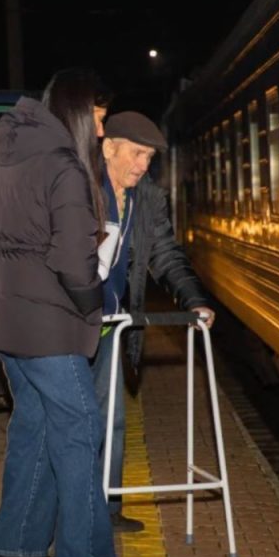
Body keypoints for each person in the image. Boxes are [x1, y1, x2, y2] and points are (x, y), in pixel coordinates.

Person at [0, 69, 144, 557]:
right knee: (80, 431)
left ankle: (17, 545)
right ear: (76, 111)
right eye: (96, 118)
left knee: (34, 429)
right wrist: (92, 306)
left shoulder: (6, 161)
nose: (99, 132)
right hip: (51, 325)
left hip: (9, 320)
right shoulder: (64, 168)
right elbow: (74, 260)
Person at [93, 111, 216, 532]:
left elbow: (165, 254)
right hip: (70, 323)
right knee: (78, 420)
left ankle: (106, 510)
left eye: (149, 157)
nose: (144, 165)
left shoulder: (146, 198)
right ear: (109, 147)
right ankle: (76, 516)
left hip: (112, 323)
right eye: (137, 154)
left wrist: (193, 299)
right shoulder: (80, 187)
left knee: (113, 418)